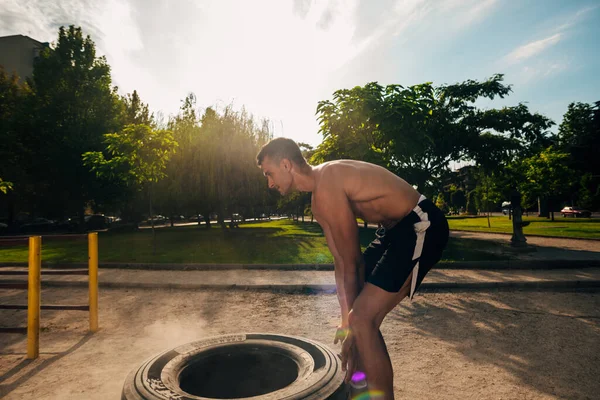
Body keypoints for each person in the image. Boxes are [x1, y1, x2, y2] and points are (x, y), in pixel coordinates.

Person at [256, 138, 449, 400]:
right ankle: (360, 391)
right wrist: (346, 319)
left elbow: (352, 262)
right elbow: (339, 261)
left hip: (420, 224)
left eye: (269, 173)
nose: (269, 183)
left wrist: (350, 319)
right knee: (360, 323)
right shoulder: (318, 199)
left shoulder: (328, 184)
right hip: (393, 232)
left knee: (361, 319)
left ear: (286, 164)